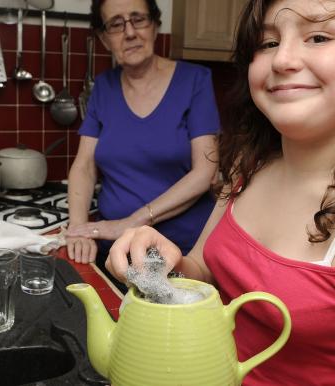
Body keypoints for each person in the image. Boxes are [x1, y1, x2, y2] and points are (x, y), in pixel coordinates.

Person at [106, 0, 335, 384]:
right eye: (268, 43)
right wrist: (160, 259)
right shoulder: (250, 166)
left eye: (318, 36)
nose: (282, 60)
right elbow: (204, 274)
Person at [64, 0, 221, 281]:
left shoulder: (195, 80)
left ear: (155, 25)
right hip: (114, 254)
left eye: (138, 19)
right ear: (104, 38)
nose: (130, 32)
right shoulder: (103, 86)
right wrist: (79, 229)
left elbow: (205, 173)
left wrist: (127, 223)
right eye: (115, 24)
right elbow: (84, 165)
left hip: (180, 254)